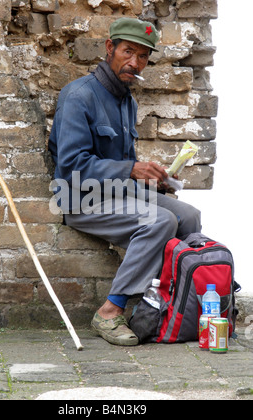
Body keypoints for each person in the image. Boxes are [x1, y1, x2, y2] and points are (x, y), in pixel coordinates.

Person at [49, 17, 201, 346]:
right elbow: (73, 167)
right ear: (110, 49)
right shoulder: (77, 96)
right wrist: (132, 170)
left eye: (143, 56)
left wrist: (157, 179)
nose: (135, 62)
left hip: (118, 193)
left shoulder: (127, 101)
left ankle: (176, 301)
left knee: (189, 215)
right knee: (159, 221)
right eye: (128, 52)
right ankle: (109, 311)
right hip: (80, 198)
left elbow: (125, 164)